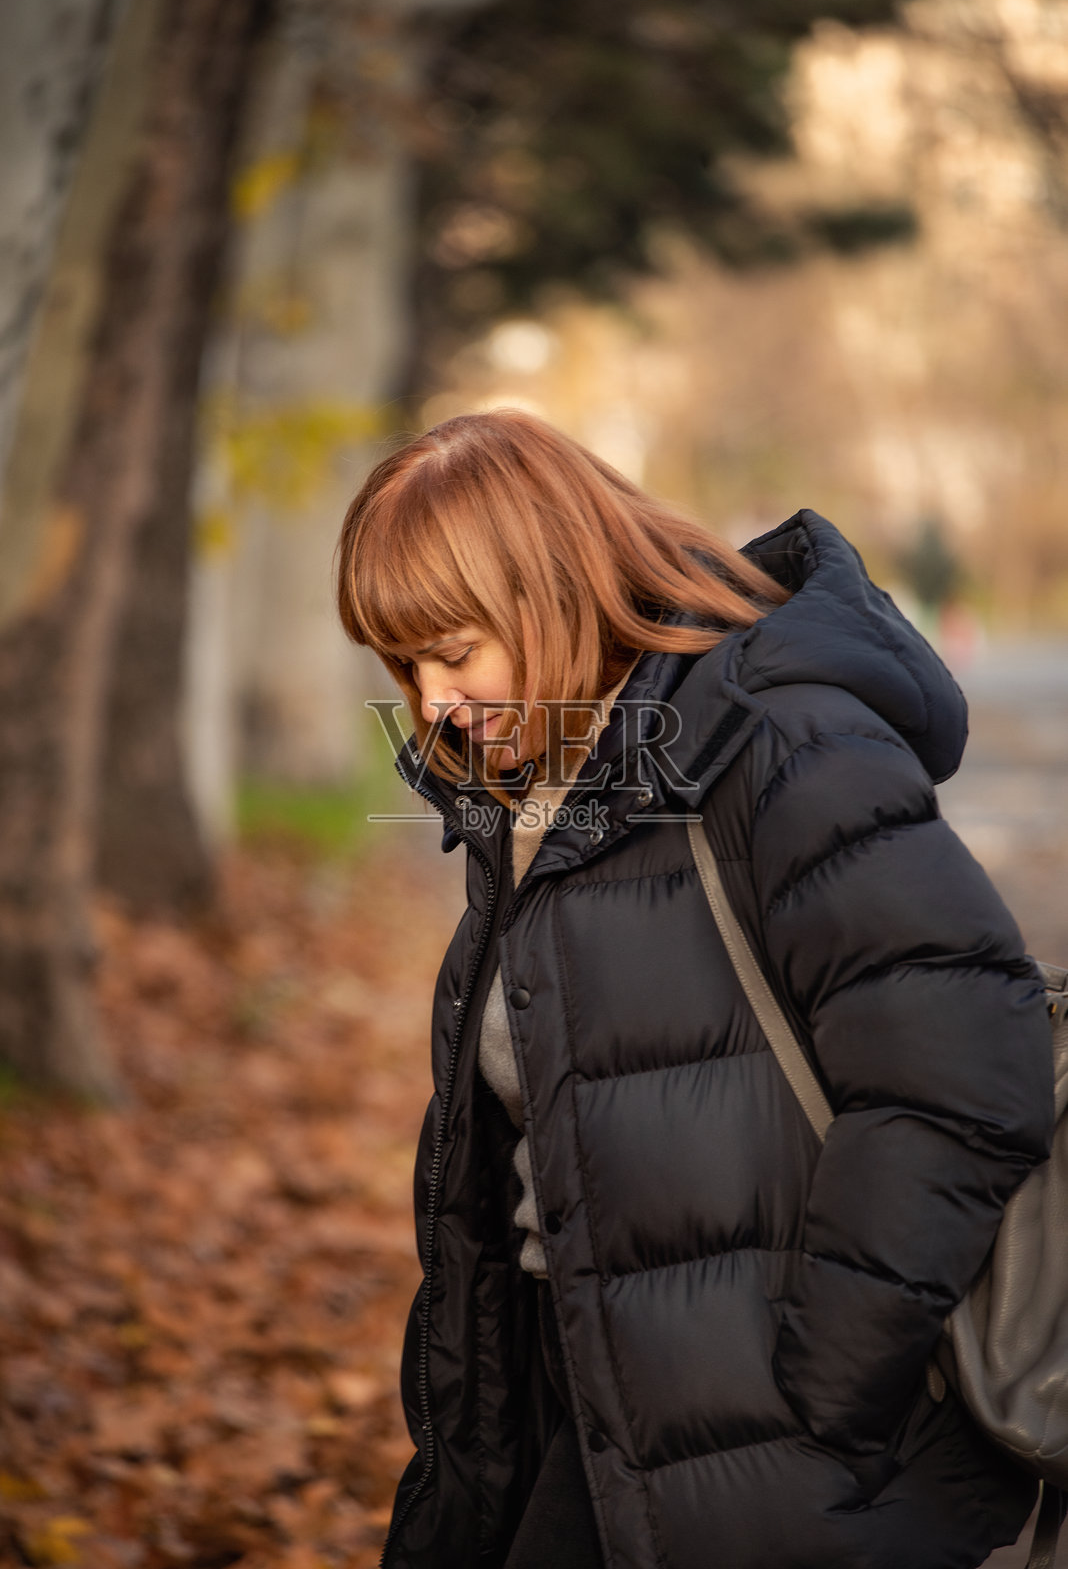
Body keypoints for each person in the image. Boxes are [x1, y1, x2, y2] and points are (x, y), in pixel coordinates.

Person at [335, 408, 1053, 1569]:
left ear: (550, 590)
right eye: (405, 666)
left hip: (773, 1454)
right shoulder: (542, 792)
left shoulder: (779, 741)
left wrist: (828, 1382)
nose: (431, 705)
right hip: (580, 1404)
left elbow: (965, 1069)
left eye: (456, 652)